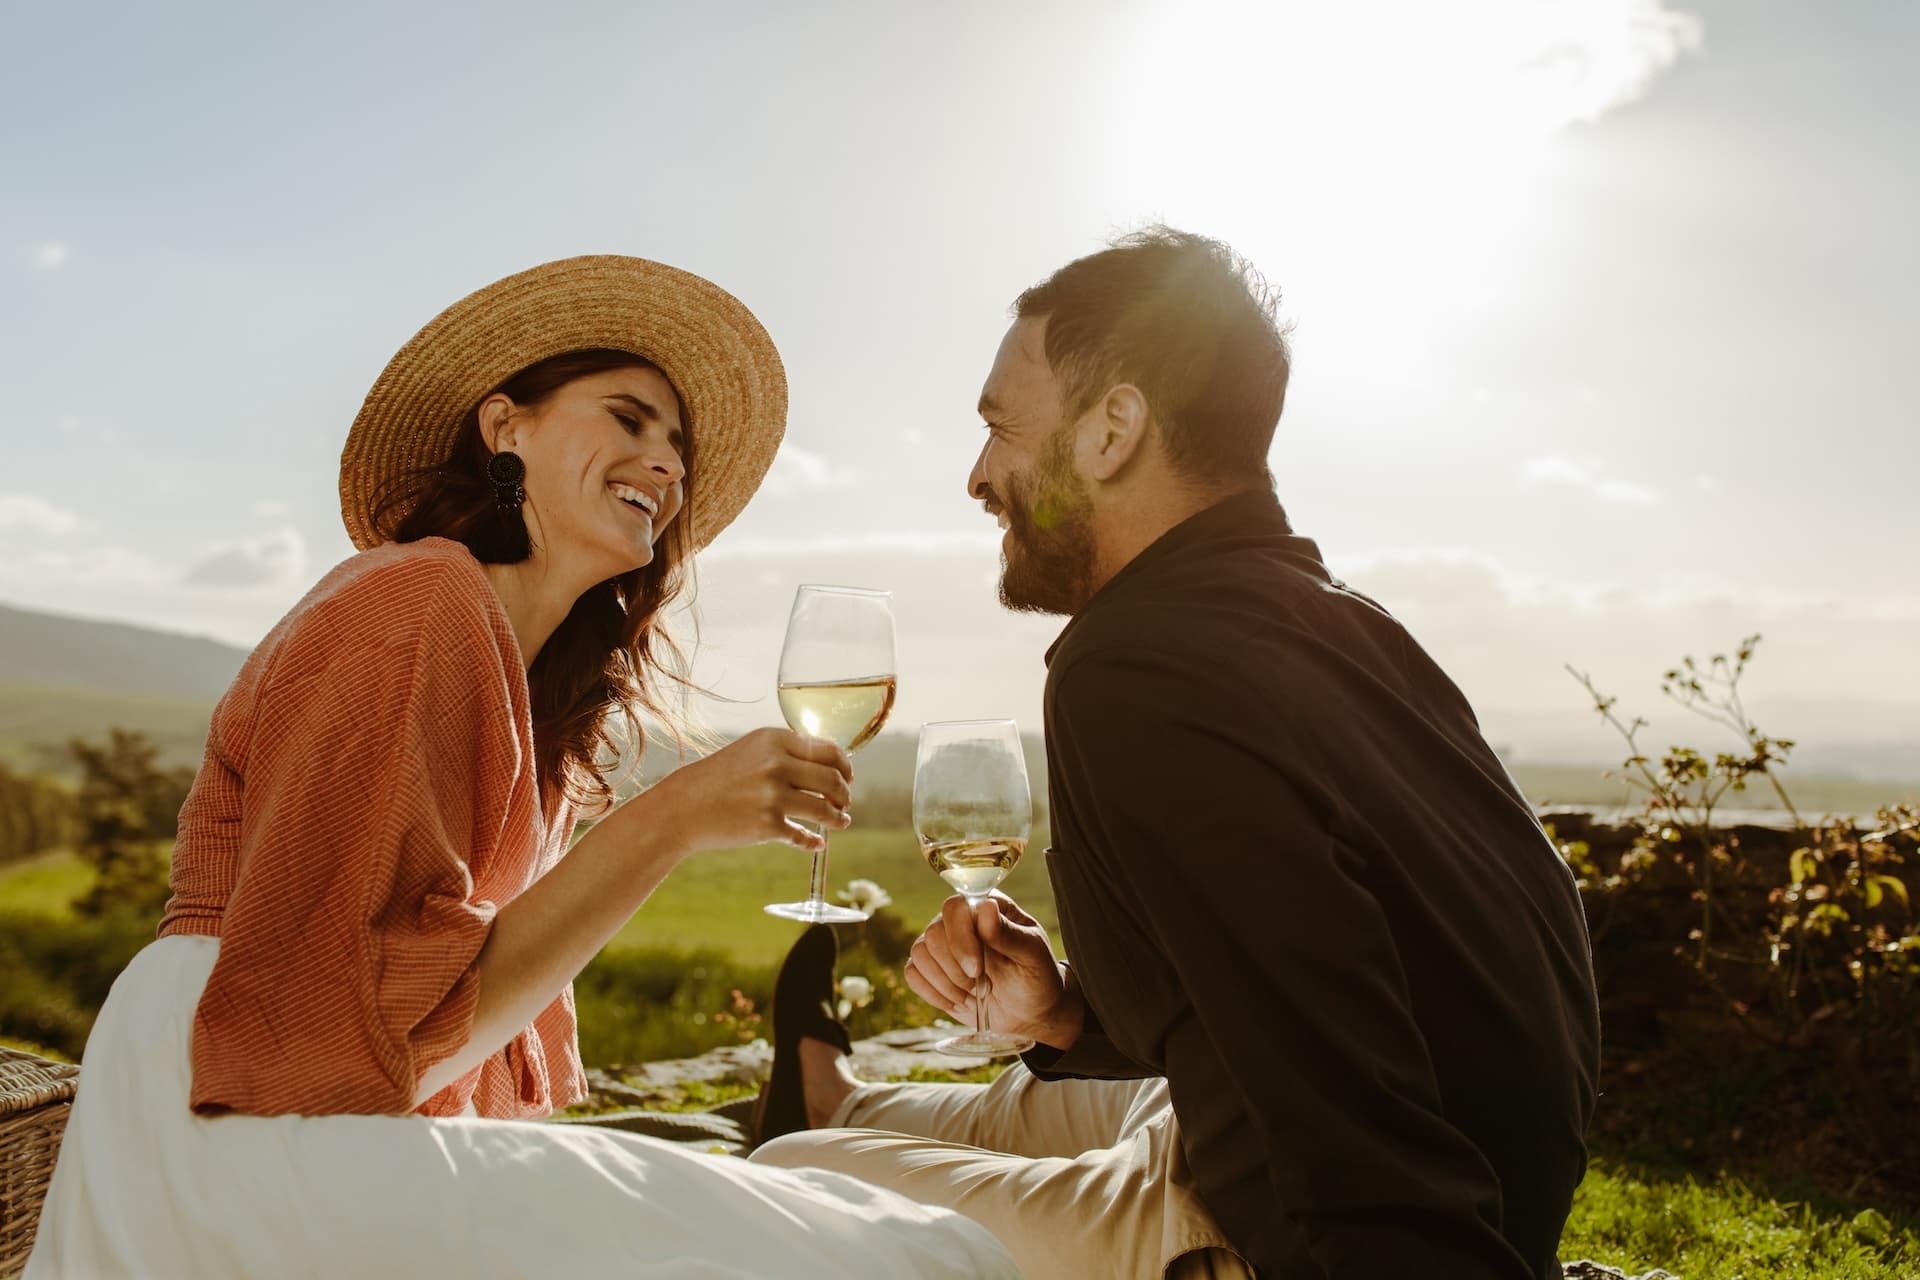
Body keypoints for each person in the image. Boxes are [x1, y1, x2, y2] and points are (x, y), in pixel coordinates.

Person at [26, 255, 1017, 1279]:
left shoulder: (526, 690)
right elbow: (336, 1036)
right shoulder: (413, 603)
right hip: (227, 1123)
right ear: (507, 428)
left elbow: (430, 1024)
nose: (666, 462)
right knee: (895, 1255)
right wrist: (670, 819)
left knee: (876, 1238)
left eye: (676, 442)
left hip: (306, 1107)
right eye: (629, 418)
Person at [752, 228, 1603, 1279]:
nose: (979, 476)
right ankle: (842, 1092)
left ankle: (817, 1119)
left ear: (1114, 428)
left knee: (786, 1179)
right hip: (1425, 1178)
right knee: (1021, 1100)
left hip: (1294, 1243)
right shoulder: (1350, 627)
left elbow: (1339, 1100)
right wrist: (1064, 1010)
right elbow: (1318, 971)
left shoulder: (1139, 671)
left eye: (1001, 430)